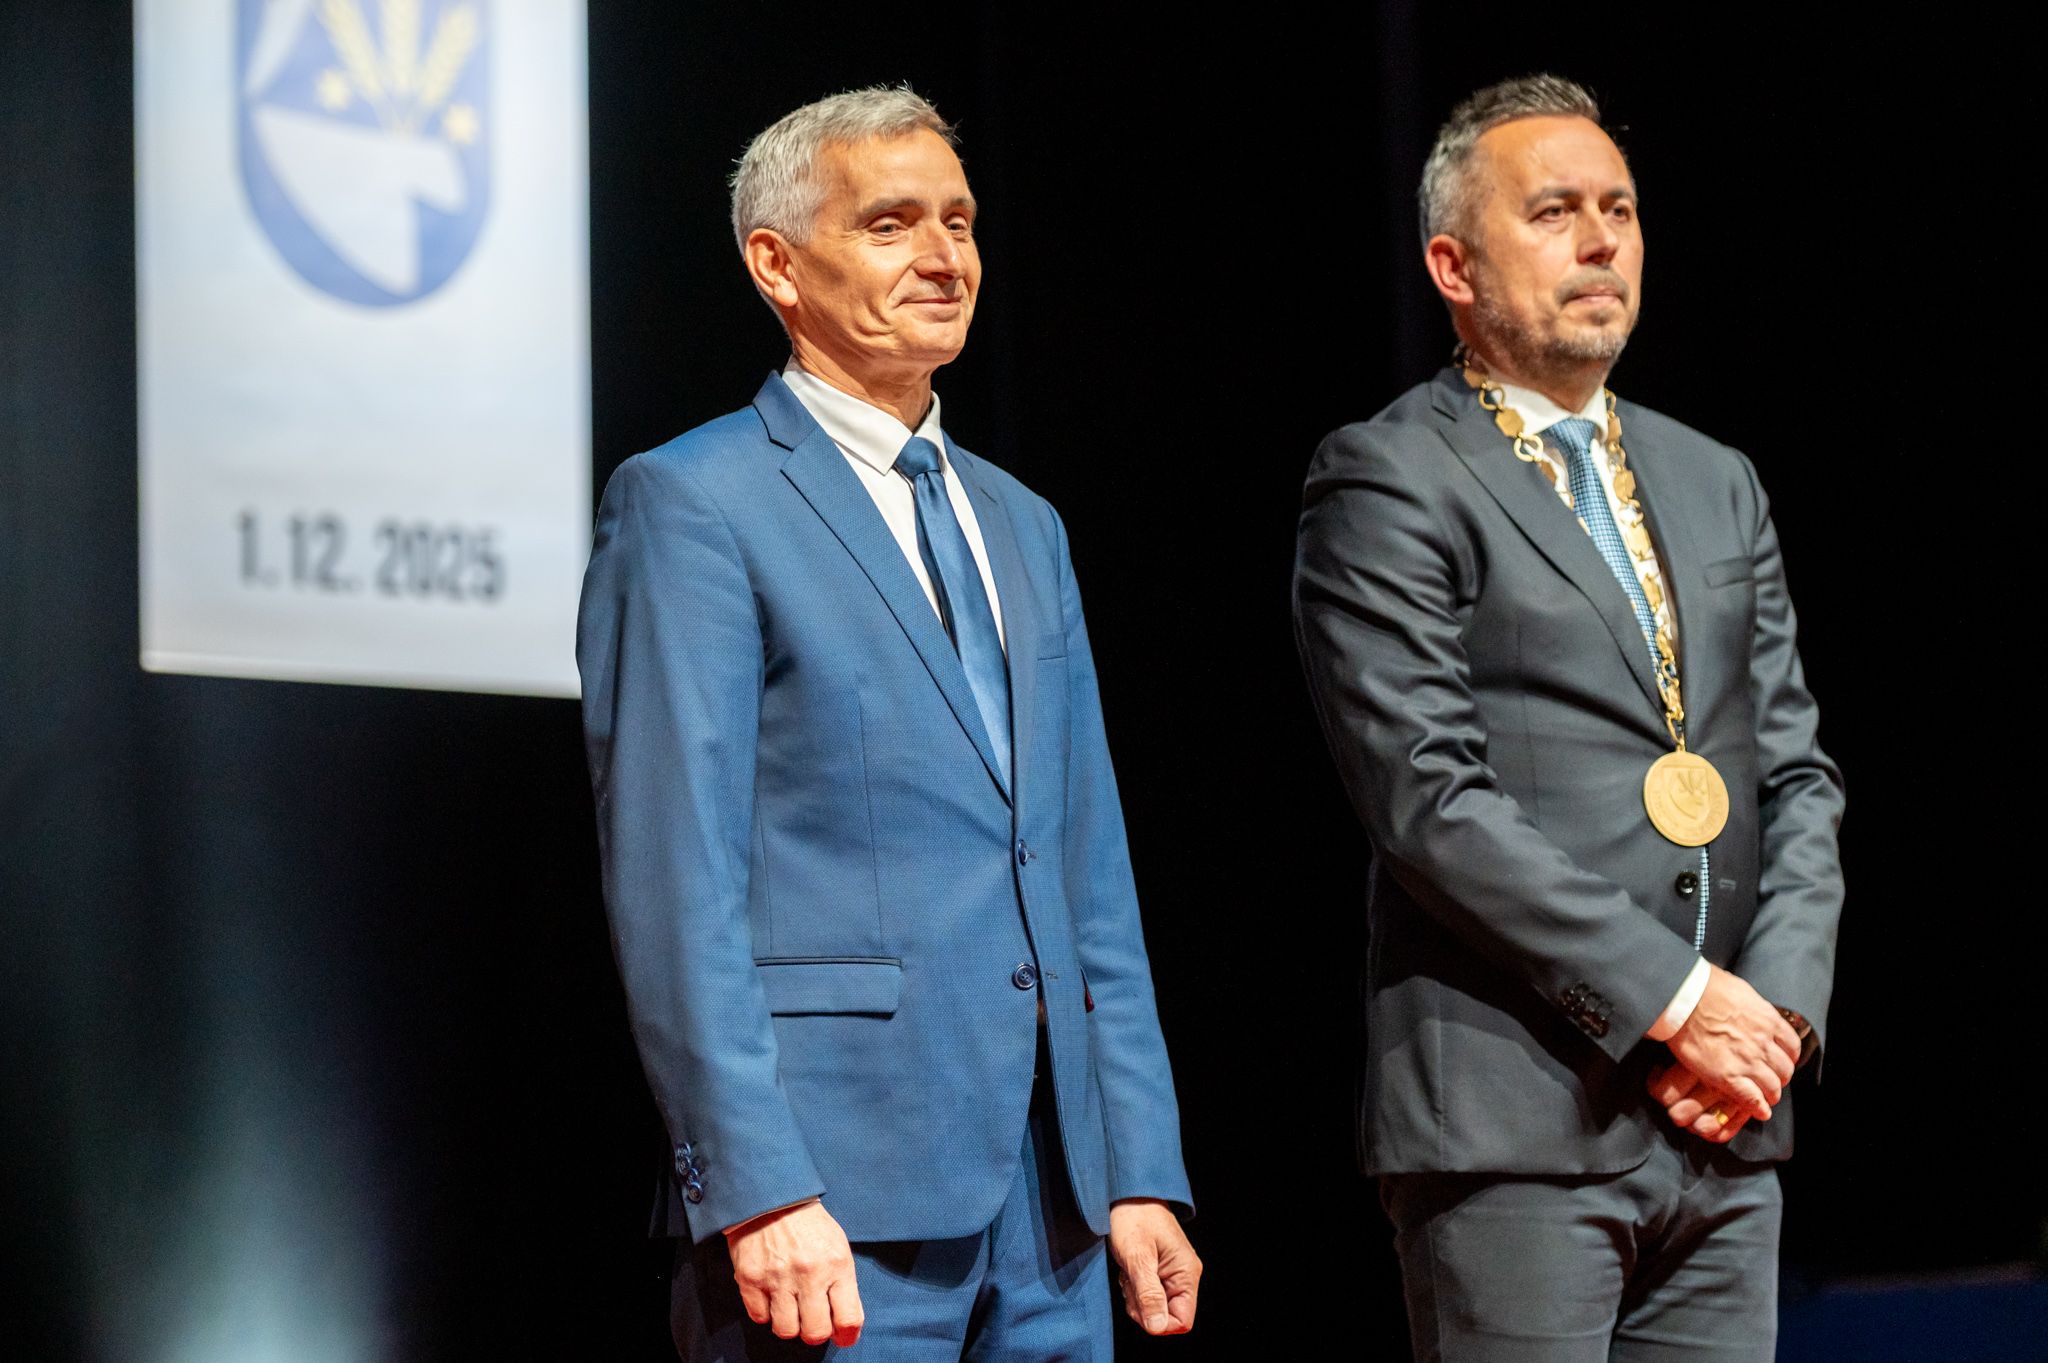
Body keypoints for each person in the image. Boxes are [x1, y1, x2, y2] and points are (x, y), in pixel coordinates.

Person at [578, 86, 1199, 1361]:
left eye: (958, 222)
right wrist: (754, 1184)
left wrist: (1137, 1163)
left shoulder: (1024, 522)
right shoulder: (692, 503)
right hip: (828, 1201)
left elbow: (1086, 871)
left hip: (1054, 1203)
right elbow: (675, 882)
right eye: (889, 223)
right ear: (776, 265)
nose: (942, 256)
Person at [1292, 75, 1843, 1362]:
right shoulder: (1387, 477)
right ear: (1452, 266)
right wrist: (1676, 1001)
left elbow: (1795, 776)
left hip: (1724, 1119)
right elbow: (1428, 800)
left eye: (1618, 210)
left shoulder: (1713, 477)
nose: (1599, 241)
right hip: (1516, 1123)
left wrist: (1771, 1018)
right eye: (1551, 212)